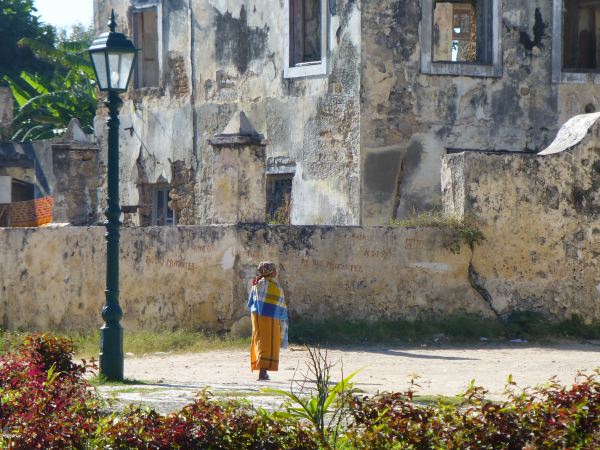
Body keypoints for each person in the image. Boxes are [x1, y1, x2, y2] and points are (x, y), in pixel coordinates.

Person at [247, 261, 288, 381]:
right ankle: (263, 371)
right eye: (274, 270)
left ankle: (261, 369)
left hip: (257, 317)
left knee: (260, 340)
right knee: (270, 343)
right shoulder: (275, 287)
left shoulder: (256, 284)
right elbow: (281, 305)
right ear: (271, 272)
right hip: (270, 317)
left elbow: (250, 303)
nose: (276, 272)